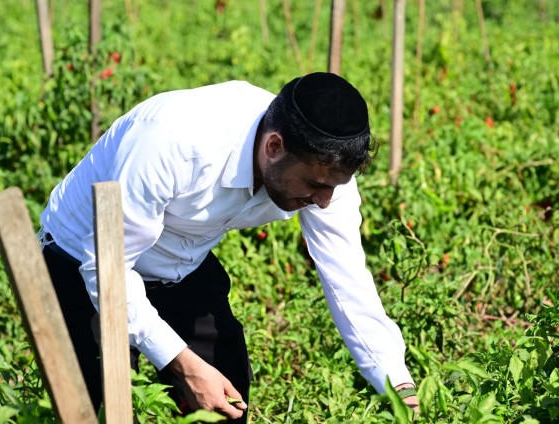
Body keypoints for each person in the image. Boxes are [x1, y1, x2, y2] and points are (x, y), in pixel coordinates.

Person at [38, 73, 419, 421]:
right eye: (315, 186)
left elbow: (346, 275)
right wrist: (184, 365)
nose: (323, 201)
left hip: (180, 263)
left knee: (228, 401)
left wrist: (397, 382)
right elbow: (108, 270)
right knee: (98, 410)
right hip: (83, 263)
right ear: (274, 146)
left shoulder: (326, 168)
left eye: (332, 188)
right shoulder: (171, 140)